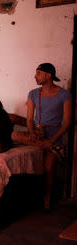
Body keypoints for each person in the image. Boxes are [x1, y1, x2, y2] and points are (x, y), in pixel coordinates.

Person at [26, 63, 71, 211]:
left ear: (48, 75)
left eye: (38, 73)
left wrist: (52, 140)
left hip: (54, 138)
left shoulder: (64, 95)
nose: (35, 76)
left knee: (48, 166)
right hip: (38, 137)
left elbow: (67, 122)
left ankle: (47, 198)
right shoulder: (33, 94)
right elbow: (29, 119)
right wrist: (32, 132)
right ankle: (53, 148)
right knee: (15, 134)